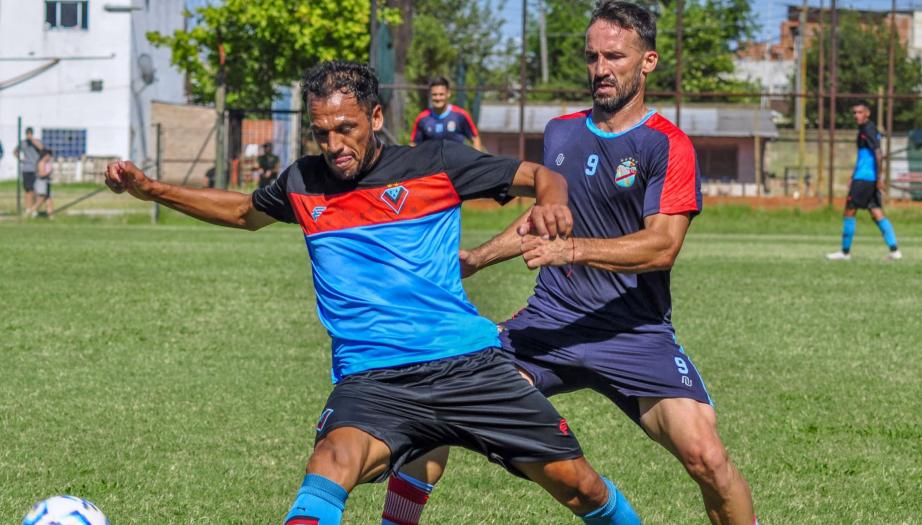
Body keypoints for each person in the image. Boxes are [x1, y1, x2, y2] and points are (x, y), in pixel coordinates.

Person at [103, 60, 643, 525]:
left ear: (376, 118)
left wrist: (552, 202)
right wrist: (148, 189)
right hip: (372, 379)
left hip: (468, 365)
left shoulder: (436, 164)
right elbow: (243, 213)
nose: (334, 145)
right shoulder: (302, 182)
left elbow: (540, 175)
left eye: (346, 128)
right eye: (322, 133)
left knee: (582, 489)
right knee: (329, 464)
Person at [382, 3, 758, 525]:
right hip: (548, 324)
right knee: (447, 404)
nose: (600, 68)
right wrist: (477, 259)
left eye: (614, 56)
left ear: (647, 62)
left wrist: (573, 250)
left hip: (635, 331)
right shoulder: (561, 133)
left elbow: (661, 246)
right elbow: (543, 216)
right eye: (592, 57)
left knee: (708, 459)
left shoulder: (667, 145)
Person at [826, 102, 901, 261]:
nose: (856, 116)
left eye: (860, 112)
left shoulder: (868, 129)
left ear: (867, 113)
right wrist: (853, 175)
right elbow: (863, 157)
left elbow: (879, 154)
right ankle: (895, 251)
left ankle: (845, 252)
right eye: (854, 112)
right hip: (864, 177)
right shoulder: (865, 129)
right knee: (876, 212)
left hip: (865, 179)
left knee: (849, 211)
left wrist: (879, 178)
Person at [409, 77, 484, 151]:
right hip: (431, 162)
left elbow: (475, 138)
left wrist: (475, 161)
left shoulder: (460, 115)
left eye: (441, 94)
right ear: (430, 95)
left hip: (456, 162)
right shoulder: (422, 118)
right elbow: (413, 144)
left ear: (448, 94)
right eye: (434, 94)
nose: (438, 98)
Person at [14, 127, 44, 213]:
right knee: (27, 190)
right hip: (26, 169)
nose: (29, 135)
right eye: (28, 134)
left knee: (34, 190)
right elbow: (15, 152)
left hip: (35, 169)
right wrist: (21, 159)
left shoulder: (37, 141)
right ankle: (28, 208)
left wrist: (32, 141)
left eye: (30, 134)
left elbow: (42, 148)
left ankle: (34, 209)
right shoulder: (23, 143)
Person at [29, 149, 54, 218]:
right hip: (41, 183)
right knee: (41, 199)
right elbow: (41, 174)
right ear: (45, 155)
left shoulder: (47, 163)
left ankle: (50, 215)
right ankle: (31, 211)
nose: (50, 157)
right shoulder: (41, 163)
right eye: (49, 156)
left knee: (49, 199)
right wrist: (49, 172)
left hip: (46, 182)